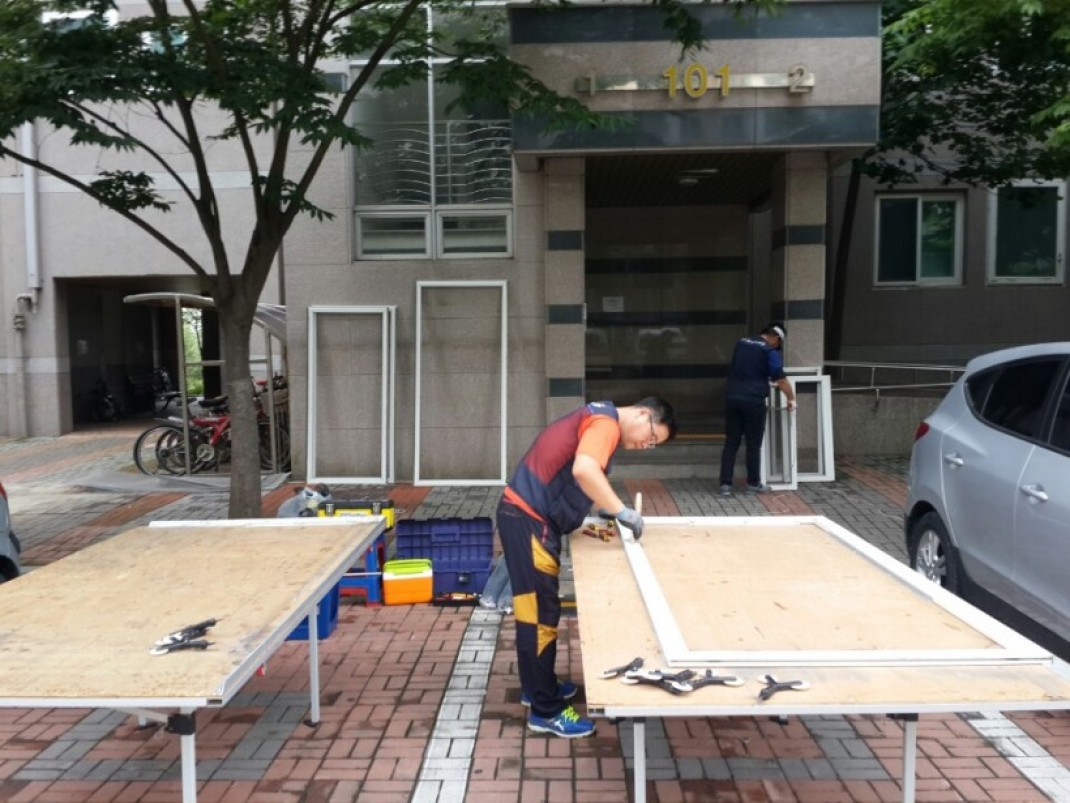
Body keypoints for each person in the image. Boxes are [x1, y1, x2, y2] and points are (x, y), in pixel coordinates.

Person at [496, 396, 677, 738]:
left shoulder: (596, 417)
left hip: (525, 517)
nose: (646, 445)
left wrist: (602, 510)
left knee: (539, 613)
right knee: (539, 618)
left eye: (653, 445)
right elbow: (584, 469)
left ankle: (538, 687)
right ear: (643, 414)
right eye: (651, 437)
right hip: (528, 520)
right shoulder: (605, 424)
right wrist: (621, 510)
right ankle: (545, 711)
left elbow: (575, 476)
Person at [718, 322, 796, 495]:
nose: (777, 347)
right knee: (753, 444)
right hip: (753, 401)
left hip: (732, 398)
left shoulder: (741, 343)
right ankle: (753, 484)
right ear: (775, 337)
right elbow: (780, 379)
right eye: (778, 343)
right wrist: (791, 398)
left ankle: (725, 485)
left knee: (731, 442)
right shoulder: (769, 351)